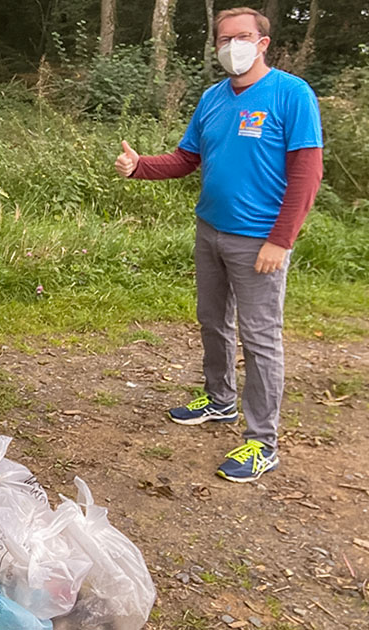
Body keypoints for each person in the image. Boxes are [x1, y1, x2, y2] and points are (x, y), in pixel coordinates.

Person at [114, 7, 323, 483]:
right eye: (224, 39)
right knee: (213, 321)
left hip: (259, 243)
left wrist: (281, 239)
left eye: (242, 37)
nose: (233, 46)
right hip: (210, 231)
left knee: (261, 339)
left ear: (263, 42)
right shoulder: (213, 97)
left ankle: (261, 441)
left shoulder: (291, 94)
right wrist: (140, 165)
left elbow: (307, 173)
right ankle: (220, 400)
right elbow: (187, 157)